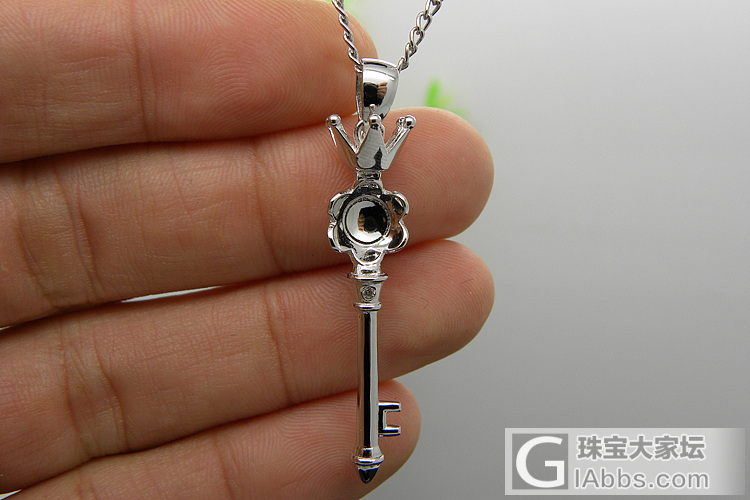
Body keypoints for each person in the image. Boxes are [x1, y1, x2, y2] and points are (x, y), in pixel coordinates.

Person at [0, 0, 494, 497]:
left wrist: (384, 134)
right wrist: (352, 136)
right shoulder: (367, 144)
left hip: (369, 219)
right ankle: (368, 444)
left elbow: (370, 156)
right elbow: (360, 155)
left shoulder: (374, 144)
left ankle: (369, 444)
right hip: (364, 218)